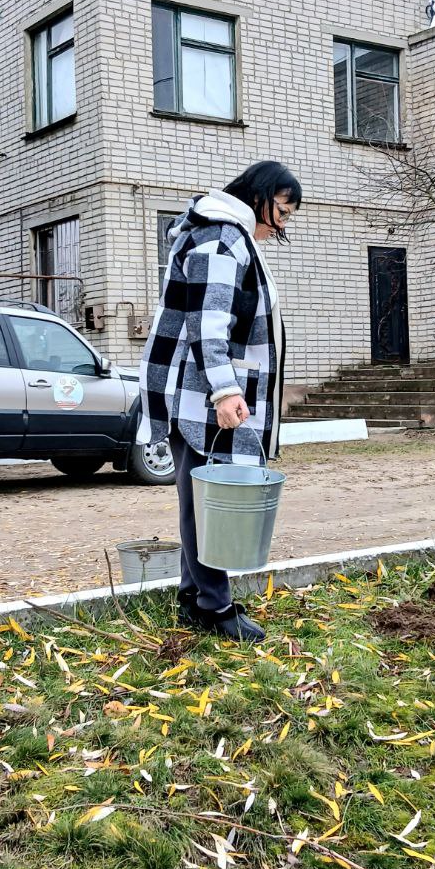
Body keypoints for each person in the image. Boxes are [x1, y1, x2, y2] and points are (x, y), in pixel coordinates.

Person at [137, 160, 301, 643]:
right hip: (204, 396)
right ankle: (215, 606)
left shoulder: (219, 236)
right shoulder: (222, 240)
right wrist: (225, 391)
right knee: (212, 501)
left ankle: (197, 596)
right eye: (284, 212)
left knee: (200, 498)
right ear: (260, 199)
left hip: (200, 393)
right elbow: (208, 324)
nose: (282, 225)